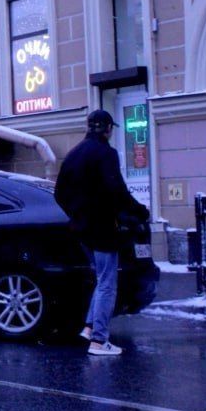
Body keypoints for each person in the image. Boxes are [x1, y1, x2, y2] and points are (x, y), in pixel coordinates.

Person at [55, 109, 150, 357]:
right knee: (108, 283)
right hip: (104, 228)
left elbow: (59, 193)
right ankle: (99, 340)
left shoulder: (74, 154)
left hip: (81, 228)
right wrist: (139, 211)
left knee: (100, 278)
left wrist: (77, 214)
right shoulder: (106, 154)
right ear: (108, 129)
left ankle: (88, 327)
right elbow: (116, 190)